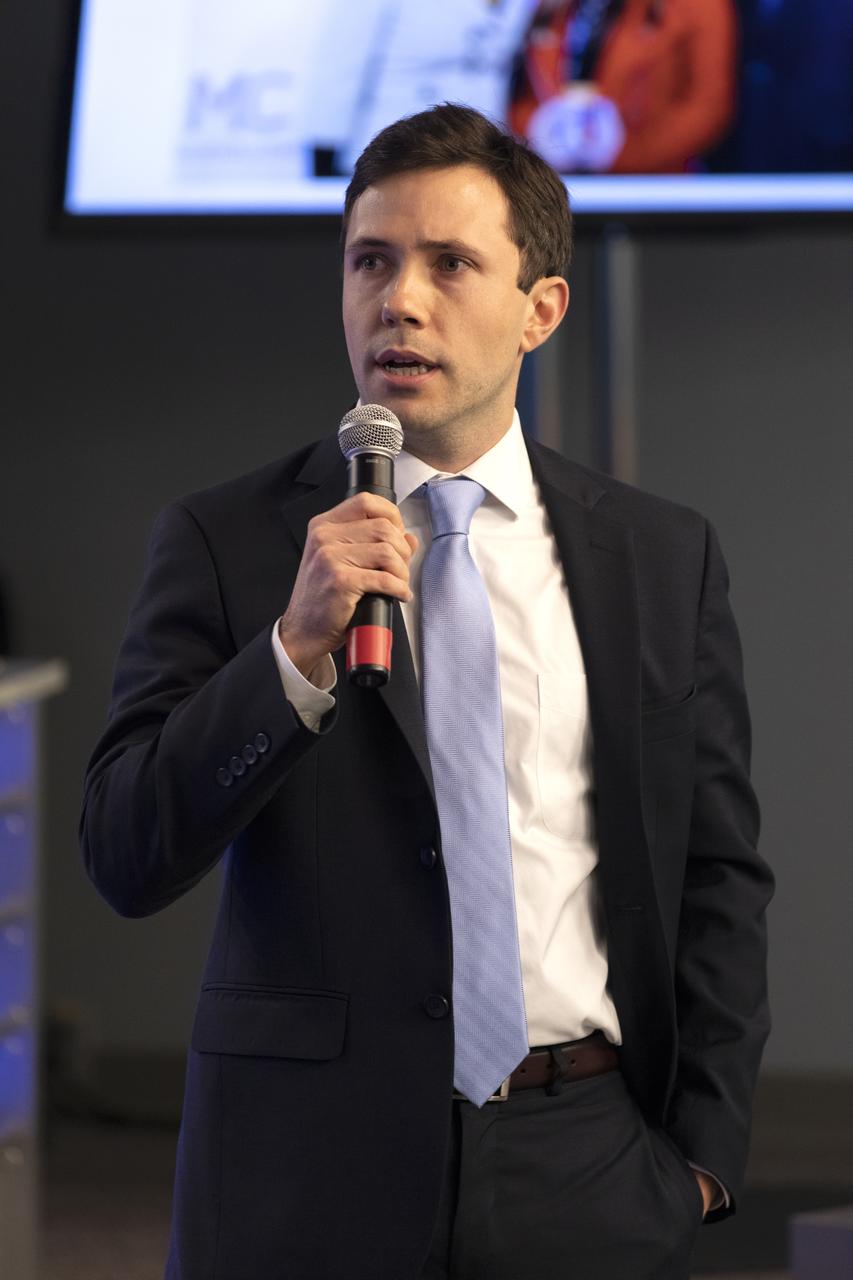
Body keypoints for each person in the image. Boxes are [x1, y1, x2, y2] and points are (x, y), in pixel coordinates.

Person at [80, 103, 773, 1279]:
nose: (400, 298)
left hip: (586, 1161)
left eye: (451, 263)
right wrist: (292, 652)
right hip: (304, 1170)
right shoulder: (227, 539)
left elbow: (716, 870)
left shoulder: (660, 555)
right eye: (370, 260)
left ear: (538, 309)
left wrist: (700, 1154)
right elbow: (126, 848)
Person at [508, 0, 738, 173]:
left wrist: (623, 152)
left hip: (652, 195)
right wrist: (539, 132)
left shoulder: (697, 7)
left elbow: (708, 107)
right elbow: (516, 90)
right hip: (554, 187)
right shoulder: (548, 8)